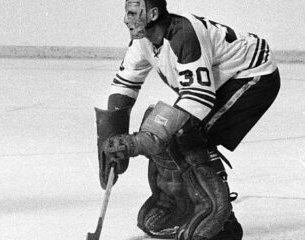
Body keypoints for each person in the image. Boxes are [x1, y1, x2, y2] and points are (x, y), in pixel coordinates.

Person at [96, 0, 281, 239]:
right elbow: (124, 85)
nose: (125, 20)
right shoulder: (142, 41)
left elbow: (198, 99)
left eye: (132, 13)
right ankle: (181, 206)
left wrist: (144, 140)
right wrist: (113, 135)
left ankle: (223, 223)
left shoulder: (183, 35)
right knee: (174, 131)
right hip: (222, 81)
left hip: (253, 74)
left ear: (152, 14)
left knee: (187, 134)